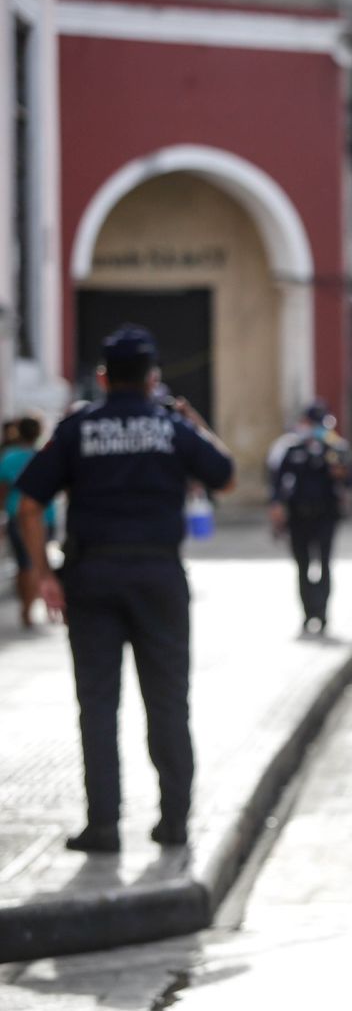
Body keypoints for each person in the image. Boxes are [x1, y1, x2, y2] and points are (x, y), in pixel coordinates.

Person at [12, 325, 235, 853]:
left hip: (91, 579)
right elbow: (224, 476)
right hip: (159, 578)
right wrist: (193, 422)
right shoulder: (170, 428)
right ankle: (174, 821)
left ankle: (104, 826)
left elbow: (25, 505)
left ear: (105, 377)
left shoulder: (77, 429)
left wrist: (44, 572)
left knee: (97, 704)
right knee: (167, 703)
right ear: (153, 378)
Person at [269, 402, 352, 636]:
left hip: (326, 516)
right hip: (298, 517)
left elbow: (351, 479)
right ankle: (308, 614)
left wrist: (341, 473)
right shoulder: (292, 449)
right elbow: (277, 483)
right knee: (302, 566)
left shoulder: (335, 449)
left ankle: (323, 614)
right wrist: (276, 508)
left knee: (324, 565)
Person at [0, 416, 57, 627]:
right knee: (36, 562)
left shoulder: (9, 457)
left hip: (17, 515)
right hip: (45, 516)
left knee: (24, 564)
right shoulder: (44, 455)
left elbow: (2, 490)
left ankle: (27, 607)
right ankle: (31, 605)